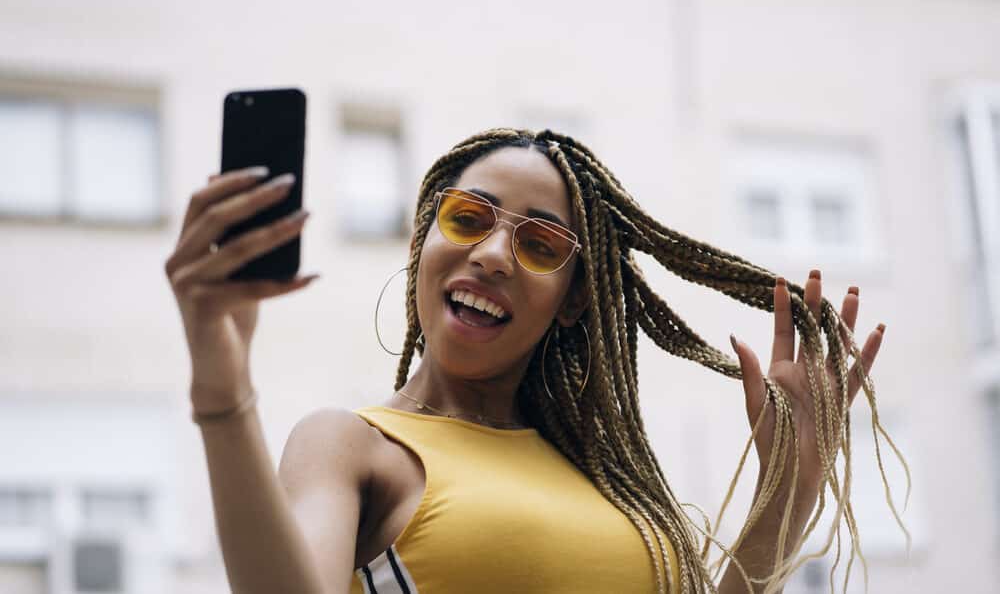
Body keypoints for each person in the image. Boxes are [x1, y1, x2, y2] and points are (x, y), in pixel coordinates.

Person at [164, 128, 909, 594]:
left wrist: (792, 489)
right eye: (468, 218)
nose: (492, 256)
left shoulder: (611, 486)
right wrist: (222, 389)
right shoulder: (352, 445)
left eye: (541, 245)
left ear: (576, 299)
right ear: (424, 240)